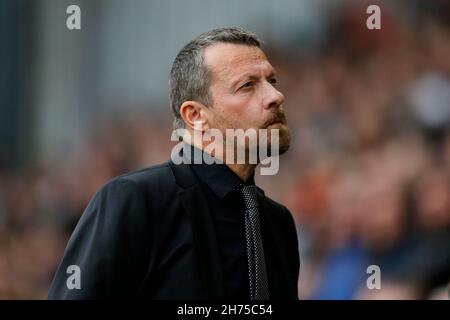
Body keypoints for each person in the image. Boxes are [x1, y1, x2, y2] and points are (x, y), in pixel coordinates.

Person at [48, 27, 300, 300]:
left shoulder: (278, 222)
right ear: (195, 116)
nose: (275, 95)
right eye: (247, 85)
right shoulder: (135, 201)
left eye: (272, 80)